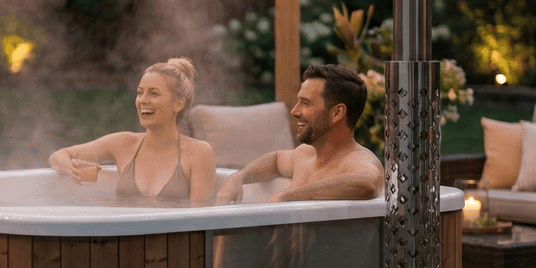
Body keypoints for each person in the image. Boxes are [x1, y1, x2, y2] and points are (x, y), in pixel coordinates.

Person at [49, 57, 216, 205]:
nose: (143, 100)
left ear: (178, 104)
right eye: (140, 93)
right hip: (123, 239)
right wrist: (70, 168)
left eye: (154, 93)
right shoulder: (123, 144)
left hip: (175, 240)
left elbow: (200, 221)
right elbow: (59, 155)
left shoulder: (199, 153)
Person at [215, 63, 384, 204]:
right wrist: (238, 177)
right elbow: (275, 160)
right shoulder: (304, 154)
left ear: (337, 113)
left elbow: (368, 183)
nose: (294, 111)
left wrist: (289, 196)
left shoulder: (357, 158)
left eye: (305, 103)